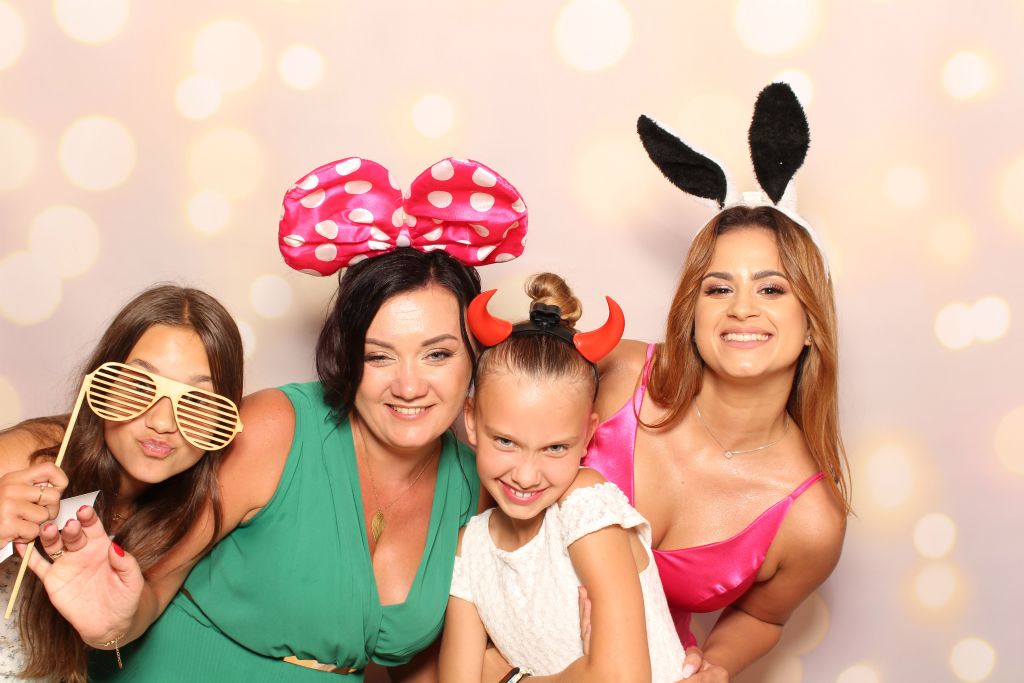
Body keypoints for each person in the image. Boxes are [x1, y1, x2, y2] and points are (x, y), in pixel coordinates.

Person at [26, 156, 530, 681]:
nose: (408, 386)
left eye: (437, 354)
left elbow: (420, 667)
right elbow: (147, 589)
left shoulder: (476, 485)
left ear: (475, 357)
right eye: (379, 356)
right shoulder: (275, 428)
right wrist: (112, 623)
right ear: (346, 355)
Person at [582, 83, 850, 679]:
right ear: (693, 310)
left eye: (772, 288)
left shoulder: (811, 521)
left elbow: (762, 617)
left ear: (812, 323)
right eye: (719, 287)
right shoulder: (614, 372)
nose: (742, 308)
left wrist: (718, 664)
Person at [440, 273, 685, 683]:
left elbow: (623, 679)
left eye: (554, 448)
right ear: (471, 421)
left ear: (587, 436)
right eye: (505, 441)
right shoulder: (470, 550)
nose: (525, 475)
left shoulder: (584, 507)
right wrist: (579, 674)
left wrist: (510, 679)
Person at [0, 284, 244, 683]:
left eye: (198, 401)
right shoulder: (31, 458)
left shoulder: (194, 510)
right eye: (140, 385)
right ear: (102, 382)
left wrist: (111, 628)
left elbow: (125, 627)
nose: (162, 422)